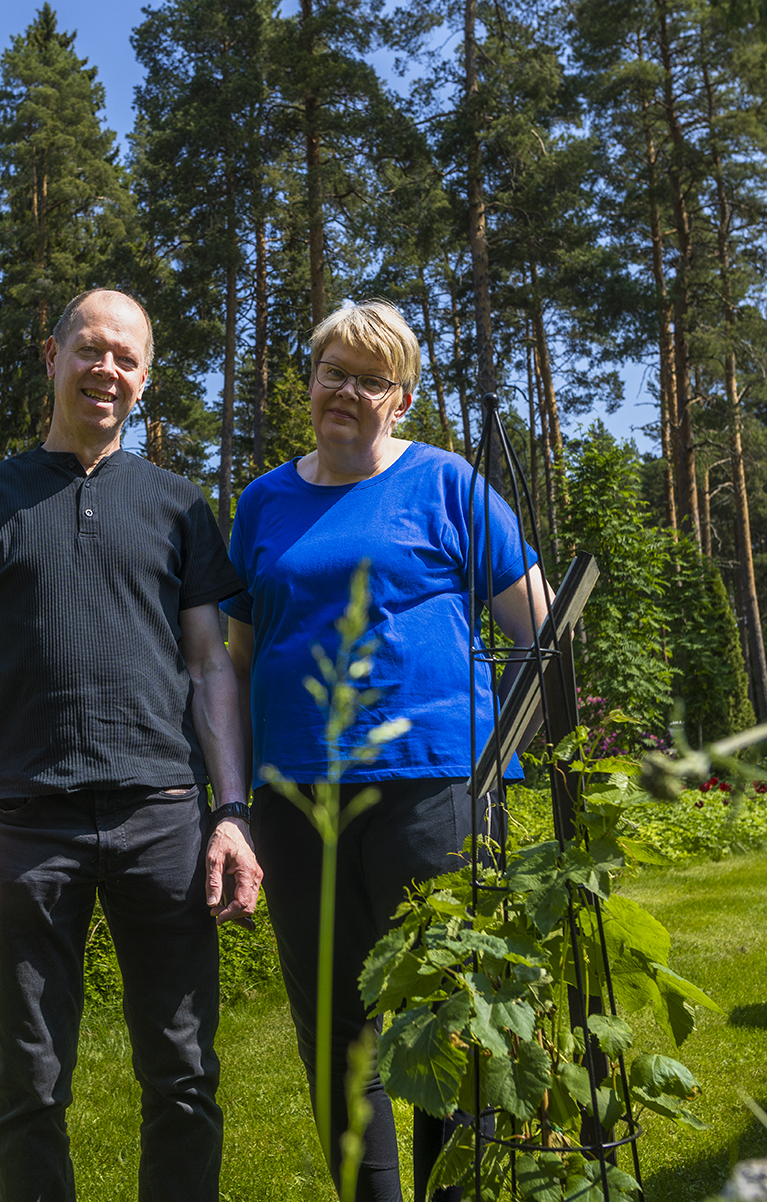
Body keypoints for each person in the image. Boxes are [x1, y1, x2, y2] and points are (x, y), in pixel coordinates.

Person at [0, 288, 263, 1202]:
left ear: (144, 381)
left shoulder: (180, 507)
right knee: (30, 1085)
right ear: (52, 356)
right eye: (90, 348)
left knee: (185, 1078)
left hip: (164, 820)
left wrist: (231, 813)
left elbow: (211, 668)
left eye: (127, 357)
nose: (106, 369)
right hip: (28, 827)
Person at [224, 300, 554, 1202]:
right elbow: (241, 661)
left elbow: (540, 627)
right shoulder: (263, 503)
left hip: (435, 791)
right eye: (335, 369)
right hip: (297, 801)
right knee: (337, 1035)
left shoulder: (447, 483)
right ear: (311, 379)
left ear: (401, 400)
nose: (349, 391)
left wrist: (492, 760)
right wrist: (235, 801)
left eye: (373, 379)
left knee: (451, 1017)